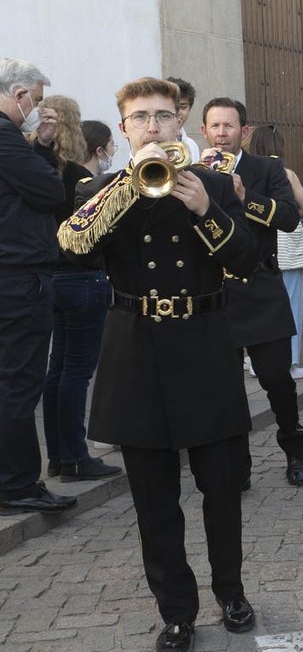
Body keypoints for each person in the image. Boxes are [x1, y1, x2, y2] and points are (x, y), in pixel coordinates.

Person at [59, 77, 259, 651]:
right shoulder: (99, 190)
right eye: (140, 117)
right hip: (136, 352)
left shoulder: (216, 183)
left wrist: (204, 209)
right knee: (154, 500)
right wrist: (126, 186)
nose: (152, 126)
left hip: (204, 343)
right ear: (123, 130)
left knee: (221, 490)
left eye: (163, 116)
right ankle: (176, 611)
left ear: (181, 123)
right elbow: (74, 249)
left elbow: (247, 261)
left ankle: (231, 591)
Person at [202, 98, 303, 488]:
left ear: (244, 132)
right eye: (215, 126)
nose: (222, 134)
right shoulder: (192, 173)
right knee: (226, 389)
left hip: (261, 288)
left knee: (278, 381)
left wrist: (246, 197)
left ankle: (294, 449)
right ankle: (239, 464)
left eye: (229, 126)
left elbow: (289, 217)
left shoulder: (267, 169)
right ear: (204, 132)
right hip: (216, 294)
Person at [0, 58, 74, 515]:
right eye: (37, 102)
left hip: (14, 272)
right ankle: (17, 484)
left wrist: (42, 147)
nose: (38, 111)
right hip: (19, 276)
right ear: (19, 94)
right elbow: (52, 193)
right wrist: (42, 157)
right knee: (19, 383)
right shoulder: (5, 138)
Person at [41, 104, 121, 482]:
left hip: (55, 279)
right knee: (76, 371)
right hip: (83, 277)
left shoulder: (42, 169)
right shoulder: (81, 179)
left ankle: (58, 455)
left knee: (58, 369)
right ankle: (75, 456)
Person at [247, 125, 303, 380]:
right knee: (291, 305)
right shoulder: (285, 173)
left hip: (259, 247)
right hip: (288, 244)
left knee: (257, 305)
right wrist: (282, 214)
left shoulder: (248, 173)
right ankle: (291, 361)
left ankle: (254, 361)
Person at [167, 77, 201, 162]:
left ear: (190, 108)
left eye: (183, 107)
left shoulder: (192, 145)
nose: (177, 112)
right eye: (174, 106)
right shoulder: (152, 140)